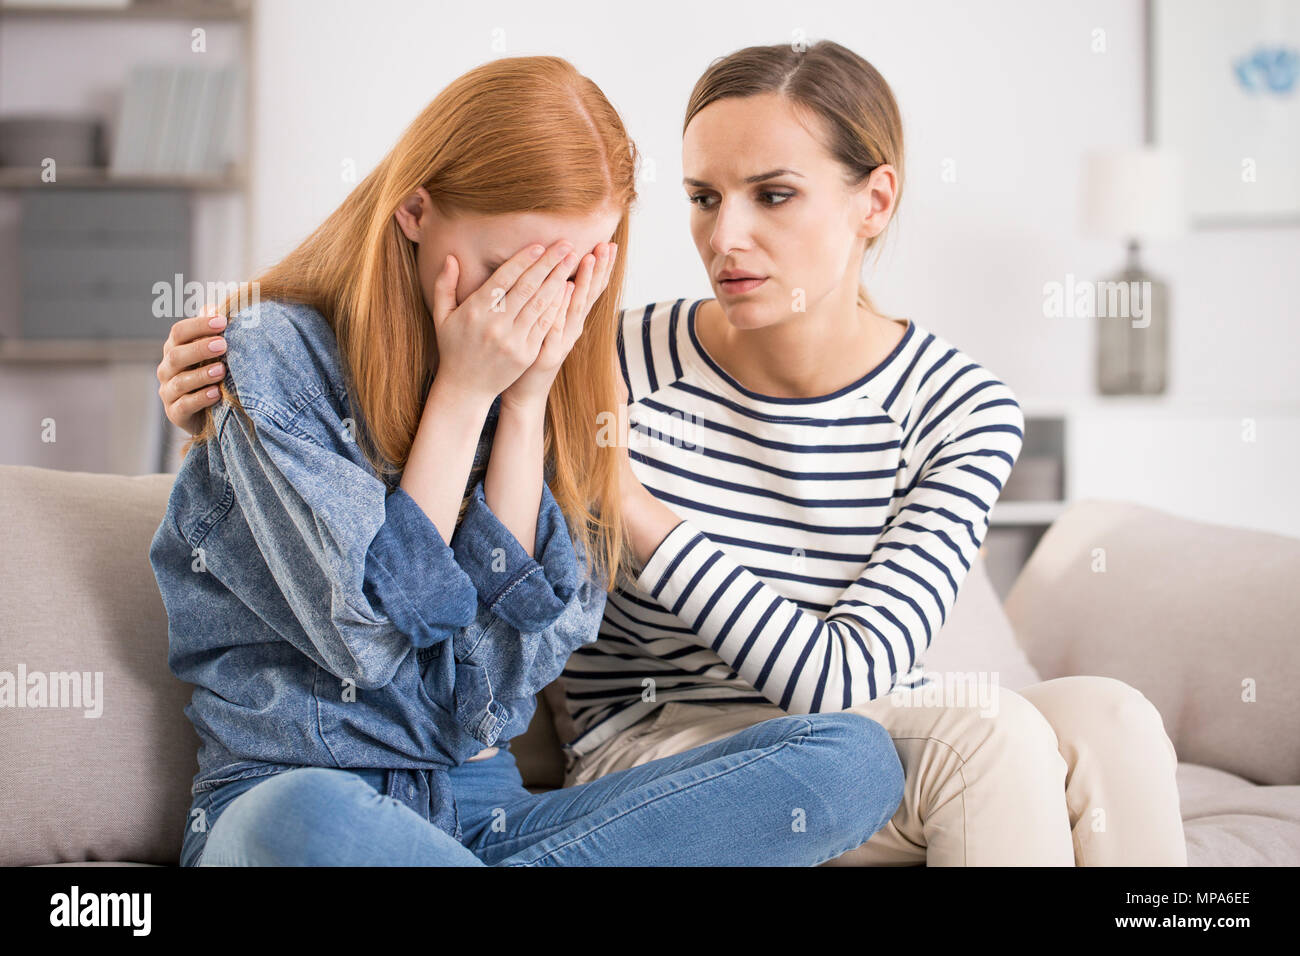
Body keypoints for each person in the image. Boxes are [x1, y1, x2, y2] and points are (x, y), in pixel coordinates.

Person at [156, 42, 1185, 866]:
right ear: (417, 213)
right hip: (371, 783)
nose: (725, 236)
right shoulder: (550, 355)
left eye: (771, 195)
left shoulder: (567, 368)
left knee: (962, 739)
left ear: (875, 202)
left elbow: (494, 695)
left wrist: (555, 439)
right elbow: (377, 637)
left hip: (542, 799)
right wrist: (467, 393)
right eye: (701, 196)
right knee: (305, 825)